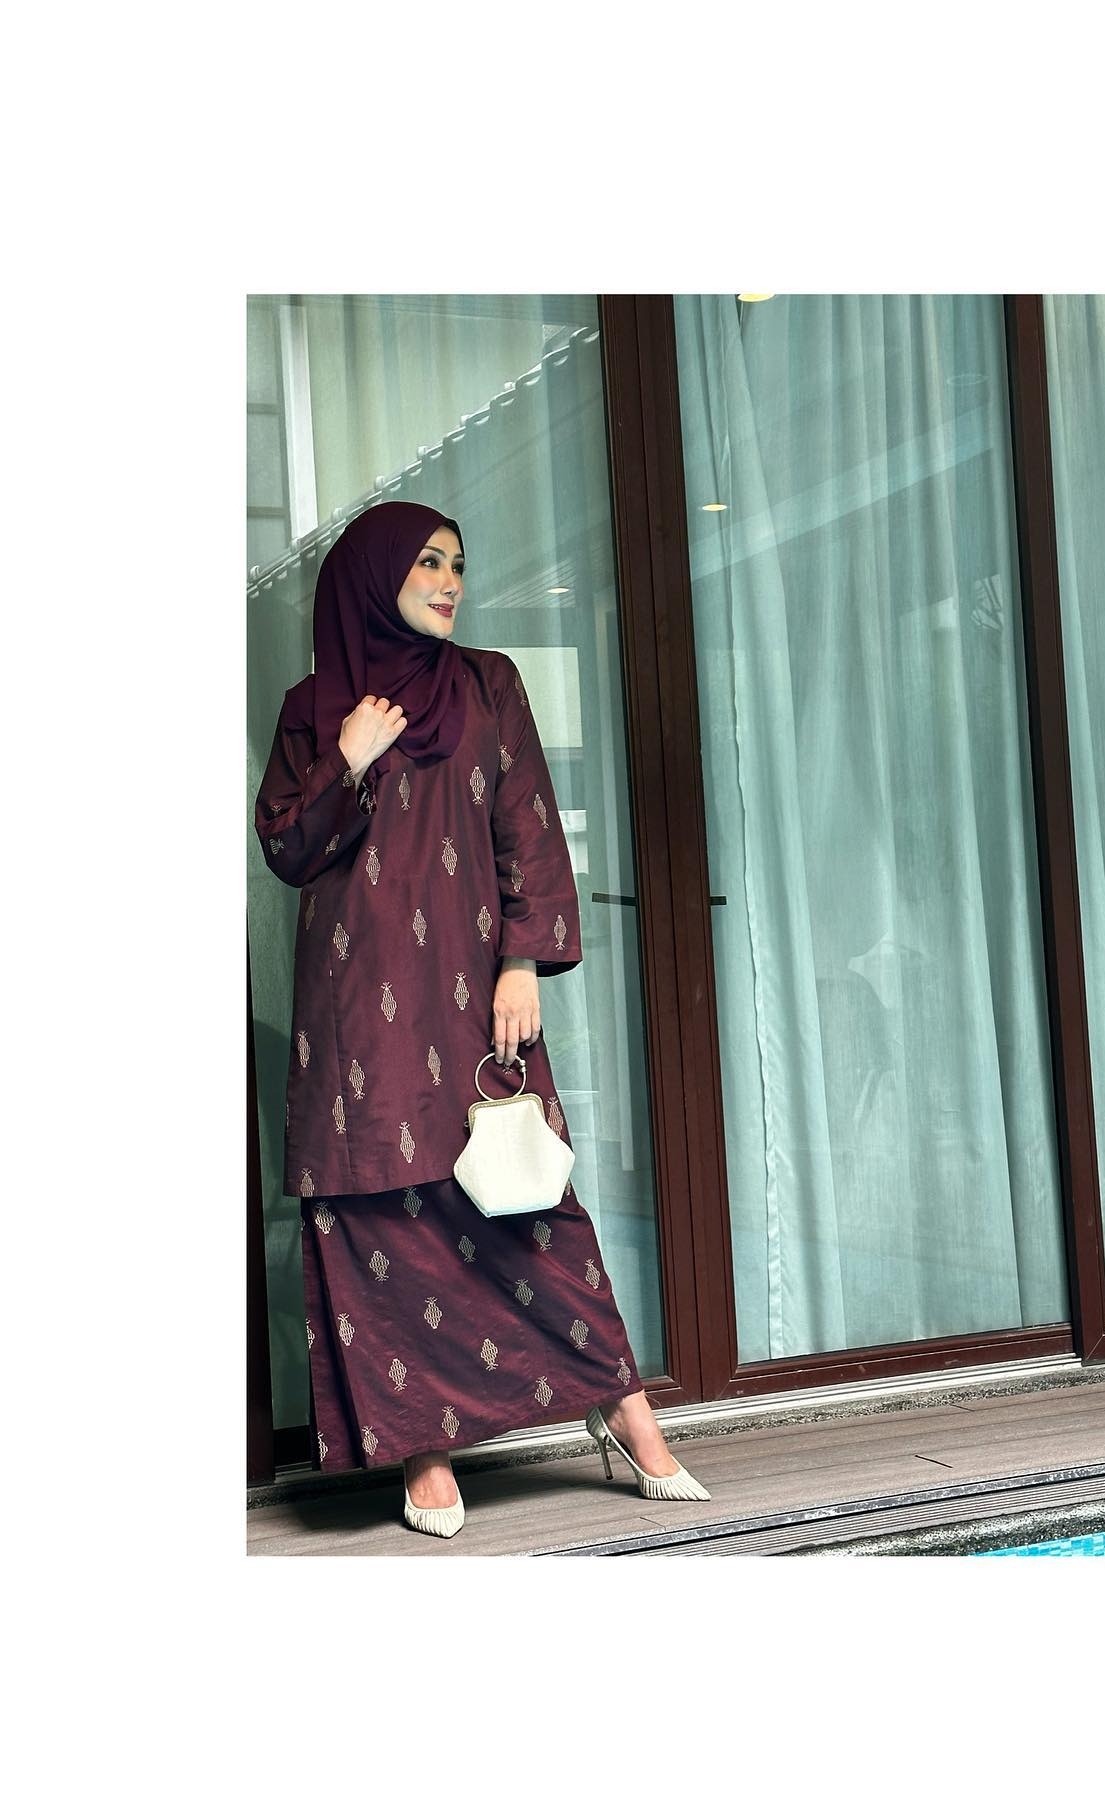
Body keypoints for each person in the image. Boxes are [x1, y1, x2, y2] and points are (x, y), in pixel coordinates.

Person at [254, 500, 709, 1538]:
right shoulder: (313, 710)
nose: (451, 580)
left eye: (458, 562)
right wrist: (347, 757)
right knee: (384, 1214)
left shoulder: (488, 684)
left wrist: (522, 960)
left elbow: (528, 827)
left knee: (529, 1202)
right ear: (374, 577)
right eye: (428, 562)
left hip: (473, 992)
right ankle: (424, 1446)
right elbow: (286, 850)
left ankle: (624, 1408)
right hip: (359, 1009)